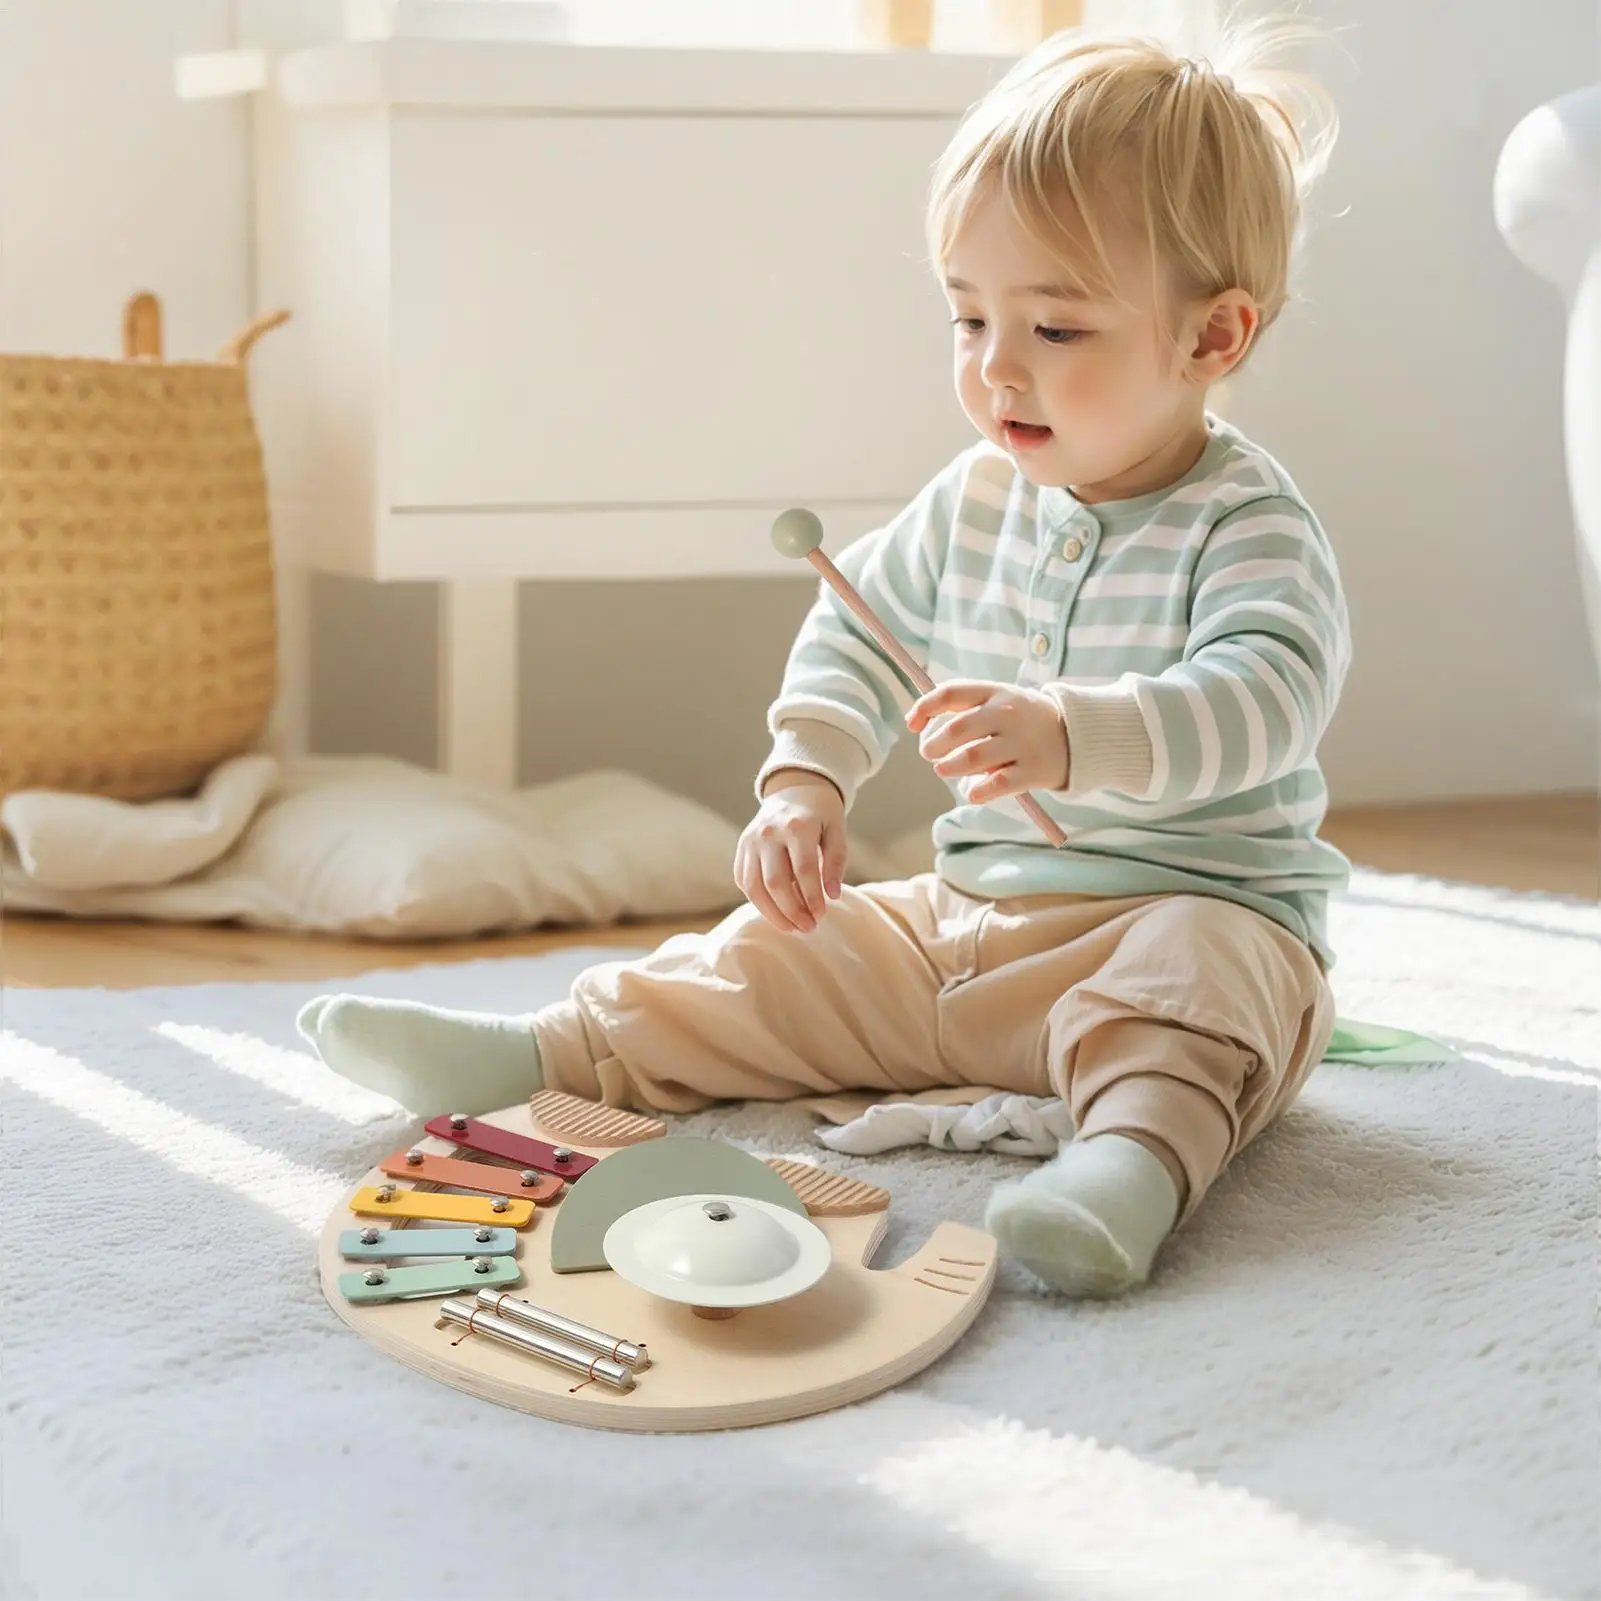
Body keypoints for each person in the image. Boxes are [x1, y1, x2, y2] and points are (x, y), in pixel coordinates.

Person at [300, 21, 1350, 1299]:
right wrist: (804, 783)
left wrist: (1077, 734)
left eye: (1055, 330)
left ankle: (1123, 1167)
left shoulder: (1248, 525)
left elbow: (1268, 696)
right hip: (967, 926)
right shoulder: (971, 499)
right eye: (966, 316)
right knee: (783, 949)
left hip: (1181, 916)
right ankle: (544, 1050)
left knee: (1201, 986)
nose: (993, 365)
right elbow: (858, 630)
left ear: (1213, 338)